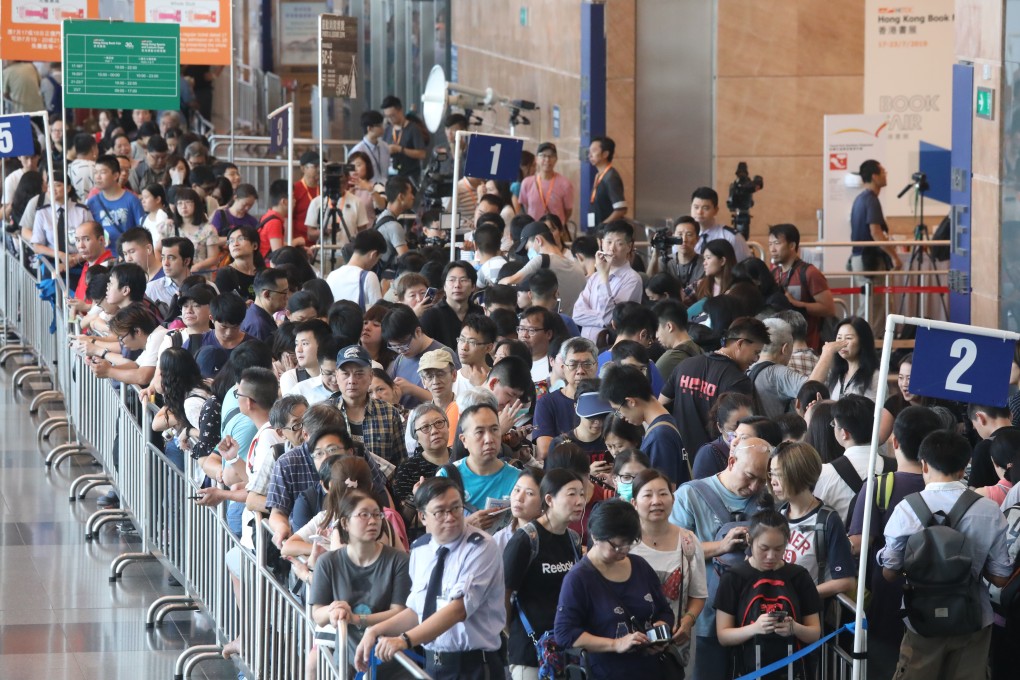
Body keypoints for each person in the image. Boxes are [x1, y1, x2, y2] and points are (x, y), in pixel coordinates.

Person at [877, 430, 1011, 680]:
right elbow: (1001, 578)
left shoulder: (907, 508)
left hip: (921, 618)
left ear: (924, 464)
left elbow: (889, 573)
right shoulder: (989, 510)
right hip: (973, 618)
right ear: (964, 468)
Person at [354, 477, 507, 680]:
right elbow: (417, 610)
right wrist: (375, 631)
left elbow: (458, 610)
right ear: (423, 516)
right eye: (440, 511)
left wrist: (404, 640)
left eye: (456, 508)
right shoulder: (420, 549)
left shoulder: (481, 546)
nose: (450, 517)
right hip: (433, 665)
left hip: (474, 666)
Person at [846, 405, 941, 679]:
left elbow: (859, 542)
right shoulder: (951, 488)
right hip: (941, 601)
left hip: (888, 601)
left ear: (895, 441)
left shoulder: (879, 485)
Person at [668, 437, 770, 680]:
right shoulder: (690, 495)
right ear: (731, 461)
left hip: (756, 615)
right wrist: (721, 546)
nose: (755, 486)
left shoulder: (768, 500)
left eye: (762, 479)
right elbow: (673, 551)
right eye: (749, 476)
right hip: (706, 617)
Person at [555, 500, 674, 679]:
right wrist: (615, 644)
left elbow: (664, 611)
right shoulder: (579, 579)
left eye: (629, 544)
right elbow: (565, 634)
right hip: (607, 672)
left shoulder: (639, 565)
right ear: (595, 536)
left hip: (651, 670)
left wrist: (660, 629)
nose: (623, 551)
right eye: (617, 546)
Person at [309, 489, 411, 680]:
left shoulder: (398, 560)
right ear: (345, 523)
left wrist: (357, 619)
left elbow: (399, 612)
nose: (373, 521)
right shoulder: (328, 562)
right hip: (348, 660)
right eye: (364, 515)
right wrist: (333, 611)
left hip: (392, 662)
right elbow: (318, 614)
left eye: (376, 514)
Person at [714, 499, 822, 679]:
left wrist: (794, 628)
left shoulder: (798, 577)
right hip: (747, 669)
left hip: (792, 671)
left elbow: (814, 633)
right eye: (763, 548)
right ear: (750, 540)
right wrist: (755, 628)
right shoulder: (733, 578)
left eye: (779, 549)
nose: (771, 556)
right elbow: (723, 636)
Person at [503, 468, 585, 679]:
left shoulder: (573, 539)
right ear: (549, 499)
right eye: (571, 494)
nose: (580, 501)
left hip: (566, 649)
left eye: (582, 494)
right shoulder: (525, 540)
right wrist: (515, 635)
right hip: (530, 652)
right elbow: (502, 595)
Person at [631, 470, 708, 674]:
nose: (657, 501)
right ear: (634, 503)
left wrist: (688, 620)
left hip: (673, 645)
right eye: (648, 495)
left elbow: (698, 594)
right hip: (629, 647)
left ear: (673, 499)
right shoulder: (623, 543)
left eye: (663, 494)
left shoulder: (688, 541)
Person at [660, 316, 768, 455]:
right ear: (740, 343)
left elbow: (661, 406)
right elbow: (741, 432)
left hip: (679, 457)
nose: (756, 360)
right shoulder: (738, 381)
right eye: (756, 352)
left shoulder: (685, 365)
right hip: (715, 461)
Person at [768, 442, 856, 597]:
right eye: (771, 474)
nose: (773, 481)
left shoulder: (828, 521)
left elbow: (846, 581)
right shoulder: (777, 515)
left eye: (779, 474)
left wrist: (800, 595)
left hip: (807, 615)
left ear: (800, 474)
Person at [601, 364, 691, 485]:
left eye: (618, 410)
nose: (621, 416)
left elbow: (664, 491)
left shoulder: (660, 436)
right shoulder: (664, 424)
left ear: (631, 402)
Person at [813, 394, 891, 525]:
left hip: (846, 544)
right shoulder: (896, 468)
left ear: (844, 433)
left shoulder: (825, 474)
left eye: (834, 424)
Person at [439, 404, 520, 524]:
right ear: (464, 440)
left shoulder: (519, 479)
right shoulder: (447, 475)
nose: (489, 439)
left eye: (494, 429)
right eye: (479, 432)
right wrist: (467, 526)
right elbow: (432, 529)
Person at [571, 221, 644, 340]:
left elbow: (612, 319)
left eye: (619, 243)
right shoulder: (594, 277)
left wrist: (604, 276)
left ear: (629, 246)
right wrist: (603, 319)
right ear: (601, 243)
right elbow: (577, 315)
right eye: (608, 242)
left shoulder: (633, 279)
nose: (611, 249)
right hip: (586, 346)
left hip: (612, 348)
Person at [768, 224, 835, 351]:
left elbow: (829, 308)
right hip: (781, 347)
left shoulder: (809, 272)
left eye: (777, 243)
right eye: (770, 244)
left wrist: (796, 303)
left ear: (792, 245)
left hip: (807, 345)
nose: (772, 249)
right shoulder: (774, 274)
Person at [500, 220, 587, 317]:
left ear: (538, 240)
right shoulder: (577, 267)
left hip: (554, 325)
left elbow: (510, 281)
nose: (529, 255)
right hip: (574, 326)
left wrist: (498, 283)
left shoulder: (542, 259)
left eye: (528, 248)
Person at [849, 160, 901, 322]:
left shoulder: (860, 199)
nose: (885, 175)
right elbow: (876, 232)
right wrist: (894, 257)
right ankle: (865, 343)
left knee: (869, 305)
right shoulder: (871, 200)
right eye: (883, 172)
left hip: (860, 258)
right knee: (874, 307)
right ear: (874, 176)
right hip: (869, 261)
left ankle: (862, 341)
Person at [382, 303, 460, 408]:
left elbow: (454, 400)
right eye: (394, 347)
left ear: (418, 332)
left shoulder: (443, 354)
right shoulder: (400, 359)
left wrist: (412, 390)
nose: (400, 350)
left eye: (404, 344)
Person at [533, 337, 599, 459]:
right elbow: (546, 450)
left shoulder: (608, 401)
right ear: (563, 367)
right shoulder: (547, 403)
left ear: (596, 366)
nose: (580, 371)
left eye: (587, 364)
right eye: (573, 365)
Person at [747, 317, 808, 419]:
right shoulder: (779, 373)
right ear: (785, 348)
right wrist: (827, 354)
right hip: (775, 433)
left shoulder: (747, 368)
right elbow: (812, 388)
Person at [420, 260, 485, 352]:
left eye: (463, 280)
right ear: (444, 286)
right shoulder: (431, 316)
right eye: (452, 280)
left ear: (473, 287)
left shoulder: (481, 313)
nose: (457, 285)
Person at [86, 155, 146, 252]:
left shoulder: (132, 200)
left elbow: (142, 231)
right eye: (95, 172)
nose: (97, 176)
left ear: (115, 175)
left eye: (103, 172)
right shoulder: (92, 202)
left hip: (127, 257)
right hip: (103, 258)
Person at [692, 393, 754, 480]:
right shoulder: (709, 454)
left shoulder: (759, 447)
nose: (742, 432)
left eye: (748, 424)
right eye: (734, 428)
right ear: (720, 427)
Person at [326, 230, 386, 309]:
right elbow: (378, 313)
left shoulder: (332, 275)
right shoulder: (369, 277)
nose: (376, 263)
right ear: (373, 254)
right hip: (357, 321)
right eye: (378, 259)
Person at [165, 186, 220, 273]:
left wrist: (198, 266)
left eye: (188, 202)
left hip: (199, 276)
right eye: (179, 203)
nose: (183, 206)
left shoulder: (208, 230)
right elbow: (157, 249)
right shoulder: (170, 227)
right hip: (175, 276)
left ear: (196, 205)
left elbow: (214, 258)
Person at [518, 142, 574, 227]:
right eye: (543, 156)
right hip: (533, 230)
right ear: (537, 159)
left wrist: (559, 226)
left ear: (556, 159)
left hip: (555, 233)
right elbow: (525, 207)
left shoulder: (565, 184)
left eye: (551, 156)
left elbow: (568, 211)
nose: (547, 160)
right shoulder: (527, 183)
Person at [690, 187, 751, 262]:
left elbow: (745, 267)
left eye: (705, 208)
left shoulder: (731, 237)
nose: (699, 212)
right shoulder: (683, 236)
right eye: (696, 207)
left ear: (716, 210)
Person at [967, 402, 1018, 490]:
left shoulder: (984, 448)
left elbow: (974, 493)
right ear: (1011, 415)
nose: (974, 428)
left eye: (973, 424)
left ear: (980, 418)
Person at [654, 299, 704, 381]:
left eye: (656, 329)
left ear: (669, 327)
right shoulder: (700, 350)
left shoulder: (669, 360)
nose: (656, 336)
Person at [586, 136, 627, 228]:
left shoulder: (611, 177)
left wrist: (603, 226)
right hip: (595, 228)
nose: (590, 154)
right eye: (589, 151)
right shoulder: (599, 175)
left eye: (594, 151)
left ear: (605, 154)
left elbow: (621, 209)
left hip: (606, 233)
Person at [374, 177, 413, 270]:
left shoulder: (382, 217)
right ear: (401, 197)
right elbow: (407, 262)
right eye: (410, 193)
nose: (413, 197)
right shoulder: (394, 226)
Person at [240, 268, 289, 343]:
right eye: (284, 293)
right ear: (267, 294)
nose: (287, 297)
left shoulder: (254, 314)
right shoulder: (258, 327)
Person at [455, 314, 496, 393]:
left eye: (472, 342)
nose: (464, 347)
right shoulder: (451, 379)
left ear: (488, 348)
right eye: (462, 339)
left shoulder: (496, 381)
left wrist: (481, 386)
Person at [350, 110, 391, 181]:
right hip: (367, 190)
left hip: (384, 188)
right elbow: (352, 176)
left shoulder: (384, 146)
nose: (383, 128)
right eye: (379, 125)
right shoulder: (358, 151)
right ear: (369, 128)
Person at [292, 151, 320, 232]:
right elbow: (289, 219)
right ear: (303, 168)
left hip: (321, 240)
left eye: (320, 166)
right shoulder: (295, 189)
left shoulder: (323, 189)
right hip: (301, 241)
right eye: (315, 166)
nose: (319, 170)